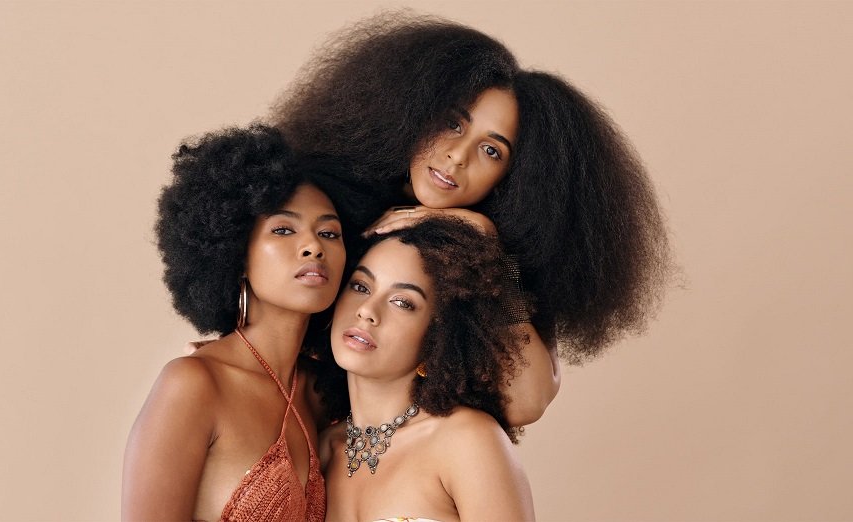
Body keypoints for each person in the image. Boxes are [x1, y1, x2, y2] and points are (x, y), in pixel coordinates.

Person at [272, 14, 672, 417]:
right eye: (452, 124)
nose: (458, 156)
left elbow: (528, 402)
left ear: (513, 179)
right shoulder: (333, 201)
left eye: (492, 150)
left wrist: (485, 249)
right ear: (412, 112)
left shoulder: (509, 257)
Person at [122, 124, 348, 521]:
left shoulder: (319, 391)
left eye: (330, 232)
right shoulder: (193, 384)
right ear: (235, 254)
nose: (314, 246)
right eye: (283, 229)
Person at [318, 217, 535, 522]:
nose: (367, 310)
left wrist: (489, 234)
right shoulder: (319, 452)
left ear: (438, 337)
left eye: (402, 302)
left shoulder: (468, 441)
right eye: (360, 286)